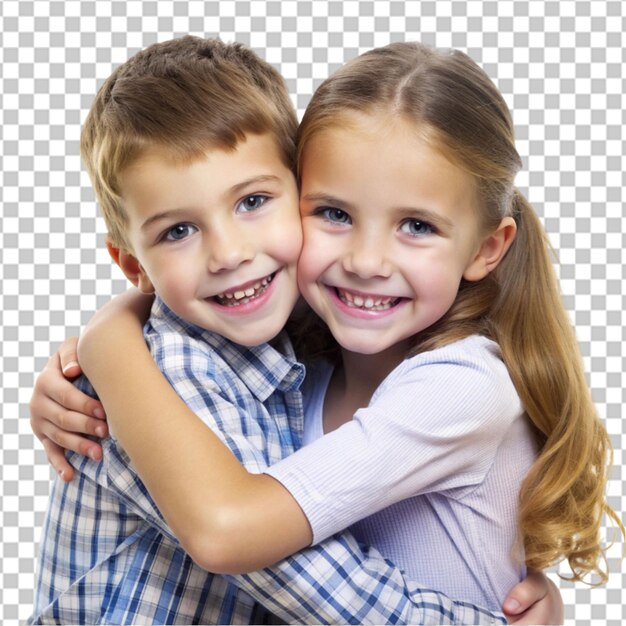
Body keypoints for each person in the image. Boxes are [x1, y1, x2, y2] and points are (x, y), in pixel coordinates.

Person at [26, 35, 561, 625]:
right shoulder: (281, 364)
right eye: (334, 213)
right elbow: (288, 572)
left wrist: (109, 336)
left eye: (415, 224)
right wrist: (107, 338)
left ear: (487, 248)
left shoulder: (461, 383)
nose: (365, 261)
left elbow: (242, 537)